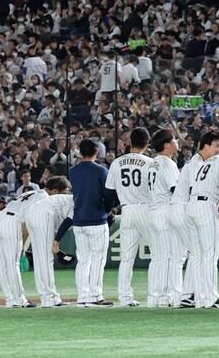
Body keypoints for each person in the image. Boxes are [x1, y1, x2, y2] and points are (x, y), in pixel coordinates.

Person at [106, 127, 153, 307]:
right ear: (147, 143)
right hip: (145, 208)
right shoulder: (150, 162)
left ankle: (125, 297)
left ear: (129, 141)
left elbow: (109, 192)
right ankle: (157, 294)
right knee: (159, 253)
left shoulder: (117, 163)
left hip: (126, 210)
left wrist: (114, 208)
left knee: (126, 258)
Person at [67, 138, 113, 307]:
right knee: (98, 259)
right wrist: (108, 210)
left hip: (78, 220)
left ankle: (82, 296)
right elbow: (108, 195)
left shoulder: (73, 171)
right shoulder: (101, 171)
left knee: (83, 259)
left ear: (80, 152)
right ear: (96, 152)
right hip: (97, 219)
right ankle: (95, 295)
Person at [186, 131, 219, 310]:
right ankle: (210, 297)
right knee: (209, 255)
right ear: (206, 146)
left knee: (201, 255)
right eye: (216, 145)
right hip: (205, 206)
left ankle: (202, 297)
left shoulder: (202, 163)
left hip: (192, 206)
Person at [23, 175, 73, 307]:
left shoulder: (57, 198)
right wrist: (56, 241)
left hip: (34, 215)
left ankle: (47, 296)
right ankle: (50, 297)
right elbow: (69, 221)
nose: (67, 192)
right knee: (45, 259)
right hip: (42, 215)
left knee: (42, 259)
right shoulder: (80, 201)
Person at [0, 183, 43, 307]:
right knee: (13, 263)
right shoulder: (44, 199)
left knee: (2, 265)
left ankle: (10, 299)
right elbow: (27, 226)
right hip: (12, 222)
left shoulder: (32, 193)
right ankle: (20, 300)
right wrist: (23, 249)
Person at [146, 129, 181, 308]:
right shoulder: (167, 163)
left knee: (159, 257)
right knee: (172, 256)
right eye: (174, 139)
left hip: (153, 211)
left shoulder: (152, 164)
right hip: (165, 211)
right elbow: (176, 190)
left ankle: (155, 296)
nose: (176, 142)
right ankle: (171, 296)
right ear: (166, 145)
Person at [168, 136, 202, 307]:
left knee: (177, 255)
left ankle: (173, 296)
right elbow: (193, 190)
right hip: (182, 209)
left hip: (174, 209)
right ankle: (188, 294)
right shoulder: (197, 164)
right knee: (197, 251)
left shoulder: (191, 164)